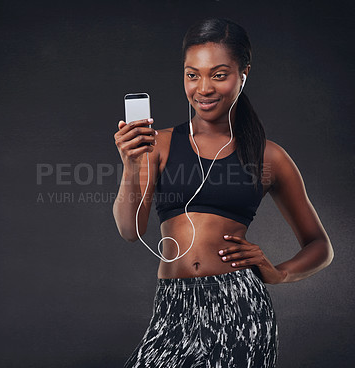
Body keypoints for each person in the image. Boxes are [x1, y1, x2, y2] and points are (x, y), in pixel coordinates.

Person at [113, 17, 334, 368]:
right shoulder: (161, 146)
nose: (203, 88)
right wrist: (130, 164)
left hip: (241, 307)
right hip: (174, 306)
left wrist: (280, 273)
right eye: (192, 74)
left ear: (242, 75)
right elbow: (130, 231)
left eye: (218, 74)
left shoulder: (268, 156)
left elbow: (320, 246)